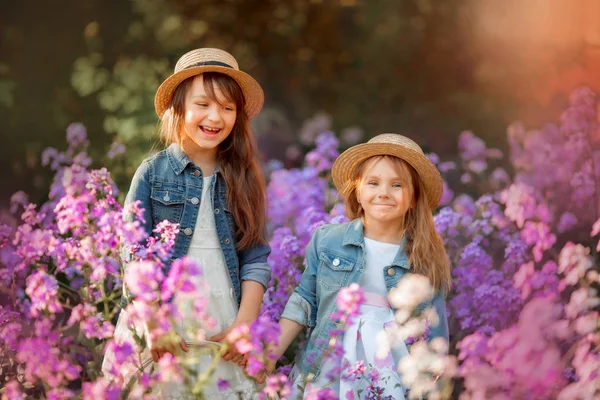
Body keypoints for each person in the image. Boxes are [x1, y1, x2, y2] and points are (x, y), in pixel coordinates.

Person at [103, 48, 271, 399]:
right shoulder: (152, 172)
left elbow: (255, 259)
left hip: (223, 317)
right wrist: (152, 323)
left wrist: (243, 326)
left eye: (227, 108)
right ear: (177, 108)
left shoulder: (245, 178)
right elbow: (133, 253)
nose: (216, 116)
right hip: (163, 316)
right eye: (204, 104)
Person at [266, 133, 451, 398]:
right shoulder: (329, 239)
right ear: (358, 191)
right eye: (373, 183)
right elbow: (304, 301)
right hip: (330, 363)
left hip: (393, 370)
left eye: (397, 185)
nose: (383, 193)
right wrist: (270, 355)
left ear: (414, 197)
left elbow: (435, 329)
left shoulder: (423, 256)